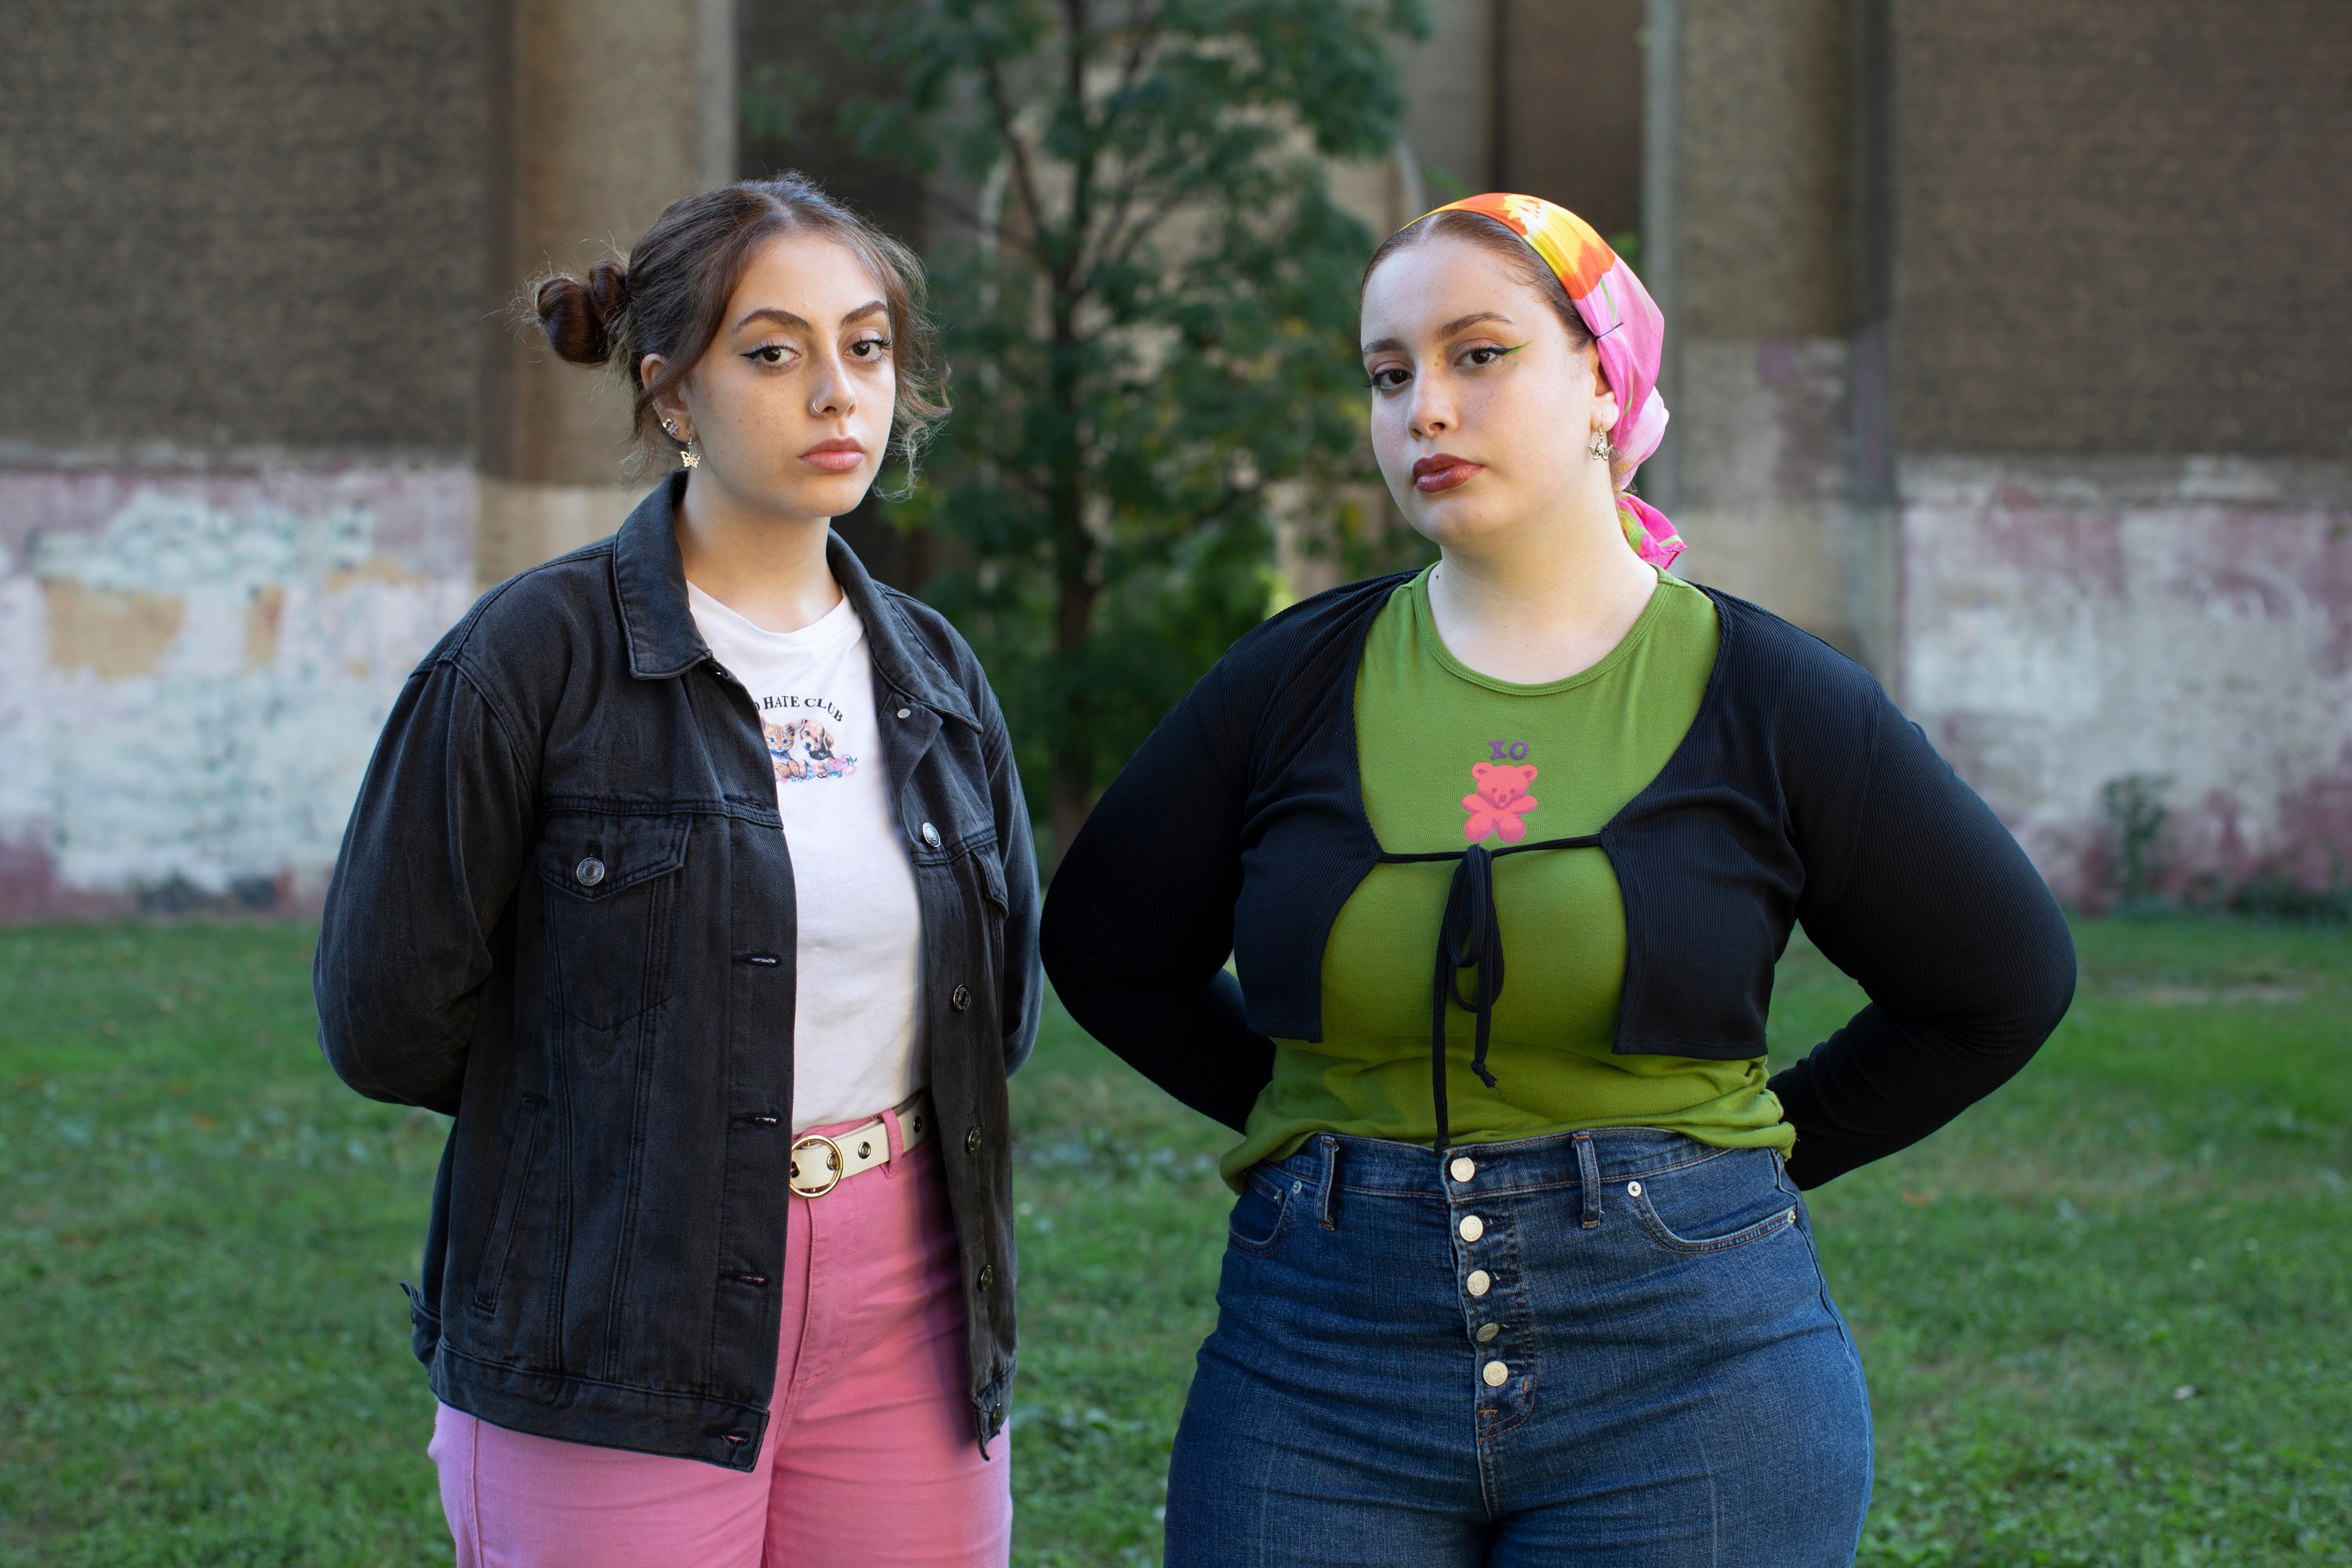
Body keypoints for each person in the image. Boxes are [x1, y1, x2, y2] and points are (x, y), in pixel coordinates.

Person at [1040, 194, 2076, 1566]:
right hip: (1319, 1378)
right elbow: (1107, 948)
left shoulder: (1772, 696)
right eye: (1389, 373)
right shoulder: (1287, 683)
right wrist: (1321, 1133)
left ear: (1604, 379)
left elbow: (1999, 982)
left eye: (1479, 354)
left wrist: (1733, 1167)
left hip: (1695, 1387)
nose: (1425, 408)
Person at [314, 173, 1040, 1568]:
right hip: (615, 1305)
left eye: (866, 346)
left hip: (910, 1303)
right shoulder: (529, 660)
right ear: (671, 394)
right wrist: (624, 1117)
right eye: (772, 352)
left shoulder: (938, 672)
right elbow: (386, 1013)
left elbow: (996, 1011)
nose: (836, 392)